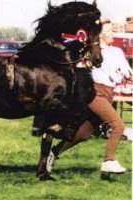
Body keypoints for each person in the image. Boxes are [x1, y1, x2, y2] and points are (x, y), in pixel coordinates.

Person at [47, 19, 133, 174]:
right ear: (99, 36)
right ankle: (108, 161)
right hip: (95, 94)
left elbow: (128, 73)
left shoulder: (117, 52)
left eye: (111, 30)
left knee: (84, 133)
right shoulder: (92, 53)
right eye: (107, 31)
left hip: (109, 95)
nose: (111, 33)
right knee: (118, 125)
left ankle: (54, 152)